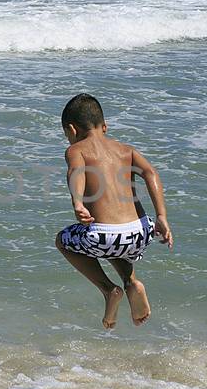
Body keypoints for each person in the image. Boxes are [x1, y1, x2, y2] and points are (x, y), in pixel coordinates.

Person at [54, 93, 173, 328]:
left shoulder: (77, 150)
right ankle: (131, 282)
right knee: (115, 244)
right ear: (105, 126)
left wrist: (77, 201)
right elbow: (151, 173)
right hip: (141, 232)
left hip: (103, 235)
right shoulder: (126, 150)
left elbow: (75, 172)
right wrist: (161, 217)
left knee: (63, 241)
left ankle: (109, 290)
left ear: (71, 129)